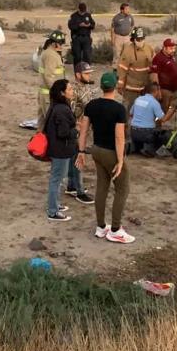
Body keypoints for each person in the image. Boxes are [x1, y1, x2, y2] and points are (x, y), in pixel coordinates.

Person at [76, 72, 136, 244]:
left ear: (102, 86)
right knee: (122, 188)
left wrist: (81, 151)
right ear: (116, 87)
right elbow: (119, 137)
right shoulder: (118, 109)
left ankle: (101, 227)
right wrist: (120, 160)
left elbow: (84, 130)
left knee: (102, 186)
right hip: (111, 152)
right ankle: (116, 229)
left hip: (96, 150)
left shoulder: (92, 105)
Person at [44, 79, 79, 222]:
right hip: (61, 149)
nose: (72, 91)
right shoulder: (62, 109)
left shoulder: (56, 106)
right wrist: (76, 131)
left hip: (57, 148)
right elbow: (63, 132)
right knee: (57, 179)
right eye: (70, 89)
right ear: (62, 93)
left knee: (57, 178)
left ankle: (55, 205)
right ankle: (52, 211)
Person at [65, 62, 99, 204]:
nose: (89, 75)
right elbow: (70, 110)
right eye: (86, 73)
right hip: (78, 129)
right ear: (78, 74)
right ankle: (79, 191)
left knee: (74, 157)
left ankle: (72, 186)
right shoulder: (74, 90)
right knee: (79, 158)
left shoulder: (85, 87)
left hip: (82, 128)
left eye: (89, 73)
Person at [129, 83, 175, 157]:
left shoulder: (138, 99)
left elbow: (131, 114)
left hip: (133, 132)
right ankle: (149, 149)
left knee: (139, 140)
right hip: (146, 133)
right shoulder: (154, 103)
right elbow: (163, 119)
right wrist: (171, 110)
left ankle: (135, 147)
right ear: (156, 91)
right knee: (161, 134)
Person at [117, 26, 155, 115]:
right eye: (138, 39)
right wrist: (120, 85)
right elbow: (122, 69)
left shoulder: (149, 48)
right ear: (133, 39)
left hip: (145, 87)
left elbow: (153, 64)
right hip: (131, 88)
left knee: (144, 111)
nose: (140, 41)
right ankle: (124, 128)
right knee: (127, 111)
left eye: (142, 39)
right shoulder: (127, 51)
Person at [37, 30, 67, 127]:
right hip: (49, 95)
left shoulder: (49, 53)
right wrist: (57, 92)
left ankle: (39, 140)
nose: (62, 46)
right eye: (61, 43)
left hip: (45, 93)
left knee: (43, 122)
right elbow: (48, 76)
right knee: (50, 123)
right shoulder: (51, 55)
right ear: (54, 43)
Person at [150, 38, 177, 122]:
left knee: (170, 109)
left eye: (174, 48)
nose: (173, 50)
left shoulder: (171, 57)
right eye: (171, 48)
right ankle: (155, 128)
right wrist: (158, 91)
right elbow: (154, 75)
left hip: (173, 90)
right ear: (164, 48)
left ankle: (159, 126)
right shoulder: (158, 58)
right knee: (160, 112)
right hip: (164, 90)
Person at [110, 3, 135, 68]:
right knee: (117, 55)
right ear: (122, 10)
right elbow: (112, 29)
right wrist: (112, 39)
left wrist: (132, 35)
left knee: (127, 54)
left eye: (129, 9)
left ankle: (125, 68)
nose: (128, 10)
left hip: (127, 38)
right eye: (126, 9)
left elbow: (132, 26)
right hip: (118, 37)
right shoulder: (116, 18)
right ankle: (115, 69)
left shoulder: (130, 17)